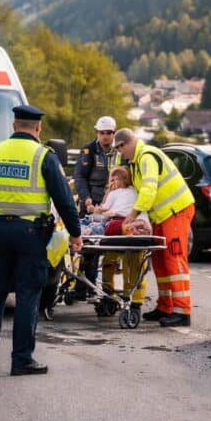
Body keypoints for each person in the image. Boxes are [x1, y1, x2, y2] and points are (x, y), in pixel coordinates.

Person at [0, 104, 82, 376]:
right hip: (31, 235)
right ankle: (21, 360)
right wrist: (75, 233)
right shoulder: (43, 156)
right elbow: (64, 200)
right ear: (38, 127)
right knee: (27, 296)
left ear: (13, 125)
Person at [113, 128, 195, 327]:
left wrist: (132, 216)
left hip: (175, 211)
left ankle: (182, 310)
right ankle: (165, 306)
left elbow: (149, 190)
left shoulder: (147, 157)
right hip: (162, 215)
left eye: (119, 149)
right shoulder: (137, 161)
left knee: (174, 259)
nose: (120, 154)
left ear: (125, 144)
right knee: (159, 260)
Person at [74, 115, 122, 297]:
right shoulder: (89, 151)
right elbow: (80, 177)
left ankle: (106, 287)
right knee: (88, 249)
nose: (106, 137)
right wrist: (86, 200)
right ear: (97, 133)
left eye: (109, 133)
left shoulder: (119, 151)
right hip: (91, 204)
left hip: (111, 204)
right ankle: (84, 286)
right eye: (103, 133)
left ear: (114, 133)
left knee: (109, 246)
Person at [96, 167, 150, 306]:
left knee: (109, 260)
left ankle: (108, 293)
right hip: (136, 226)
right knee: (134, 263)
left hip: (118, 228)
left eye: (114, 180)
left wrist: (108, 192)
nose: (113, 183)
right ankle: (133, 298)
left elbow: (103, 208)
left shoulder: (114, 193)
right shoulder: (136, 191)